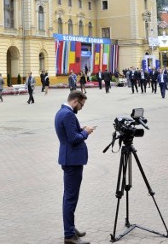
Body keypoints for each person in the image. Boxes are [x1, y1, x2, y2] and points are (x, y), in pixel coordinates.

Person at [55, 90, 94, 244]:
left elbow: (69, 133)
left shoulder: (61, 112)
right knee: (70, 198)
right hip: (72, 160)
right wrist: (86, 133)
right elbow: (73, 139)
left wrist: (80, 129)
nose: (82, 108)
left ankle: (70, 227)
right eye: (81, 105)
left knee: (69, 196)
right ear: (75, 101)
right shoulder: (68, 114)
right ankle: (69, 235)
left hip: (69, 159)